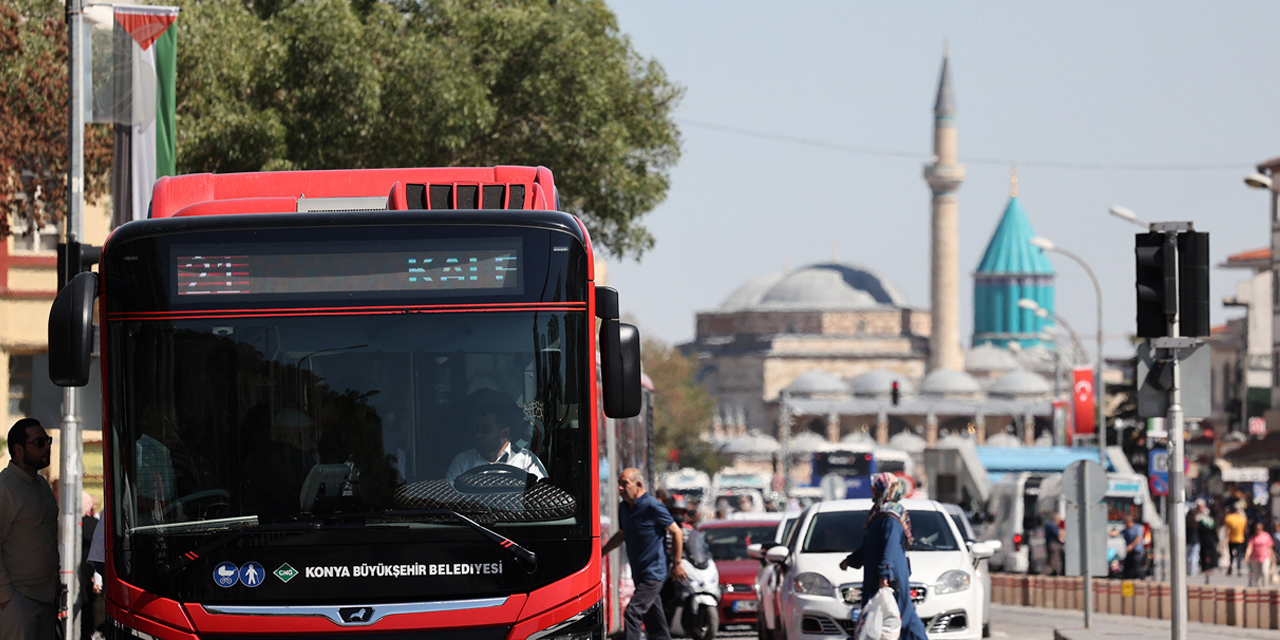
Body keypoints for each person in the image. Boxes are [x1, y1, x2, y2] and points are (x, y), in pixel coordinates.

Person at [839, 473, 928, 640]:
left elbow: (891, 546)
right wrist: (851, 561)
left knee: (903, 619)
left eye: (875, 489)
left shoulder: (891, 516)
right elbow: (869, 547)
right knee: (878, 621)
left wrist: (885, 576)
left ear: (885, 489)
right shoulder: (878, 514)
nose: (872, 492)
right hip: (876, 576)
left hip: (890, 578)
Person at [602, 468, 686, 640]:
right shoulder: (624, 507)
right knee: (655, 623)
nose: (620, 488)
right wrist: (601, 552)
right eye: (619, 484)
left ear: (638, 484)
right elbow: (622, 534)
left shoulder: (653, 506)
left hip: (654, 573)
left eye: (625, 483)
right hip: (639, 573)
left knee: (632, 613)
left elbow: (676, 532)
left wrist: (677, 563)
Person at [0, 418, 59, 640]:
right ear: (18, 449)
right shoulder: (5, 489)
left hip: (47, 599)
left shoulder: (42, 485)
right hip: (17, 603)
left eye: (49, 440)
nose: (47, 447)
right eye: (40, 442)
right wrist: (7, 599)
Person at [445, 389, 547, 484]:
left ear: (505, 434)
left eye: (485, 430)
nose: (478, 434)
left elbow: (543, 497)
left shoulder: (527, 461)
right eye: (476, 429)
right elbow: (449, 499)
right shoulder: (462, 462)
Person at [1244, 521, 1275, 587]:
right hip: (1255, 558)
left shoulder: (1266, 536)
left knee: (1265, 572)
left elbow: (1269, 548)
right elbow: (1250, 547)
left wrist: (1272, 558)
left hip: (1265, 557)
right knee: (1256, 574)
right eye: (1256, 529)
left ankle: (1265, 586)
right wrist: (1247, 556)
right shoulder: (1252, 537)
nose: (1258, 530)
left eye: (1259, 528)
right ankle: (1258, 588)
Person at [1120, 513, 1146, 580]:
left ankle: (1143, 580)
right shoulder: (1126, 530)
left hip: (1137, 551)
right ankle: (1126, 580)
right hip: (1129, 552)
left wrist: (1131, 546)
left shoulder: (1137, 528)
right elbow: (1119, 532)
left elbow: (1138, 538)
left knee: (1136, 567)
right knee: (1126, 567)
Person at [1197, 504, 1219, 581]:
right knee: (1210, 553)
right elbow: (1214, 531)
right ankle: (1209, 566)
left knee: (1204, 554)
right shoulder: (1211, 521)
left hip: (1203, 540)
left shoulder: (1201, 521)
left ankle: (1205, 567)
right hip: (1211, 540)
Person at [1224, 505, 1248, 576]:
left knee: (1231, 555)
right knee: (1239, 554)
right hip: (1240, 538)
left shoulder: (1228, 518)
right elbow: (1245, 528)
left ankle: (1230, 568)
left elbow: (1227, 529)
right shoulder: (1242, 519)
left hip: (1231, 539)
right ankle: (1239, 568)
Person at [1185, 501, 1202, 576]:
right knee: (1194, 556)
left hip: (1188, 541)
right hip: (1195, 541)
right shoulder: (1195, 522)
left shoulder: (1187, 522)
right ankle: (1193, 570)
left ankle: (1188, 569)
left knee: (1188, 556)